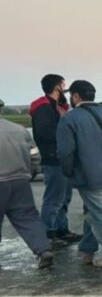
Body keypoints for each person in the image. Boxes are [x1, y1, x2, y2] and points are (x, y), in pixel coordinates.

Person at [56, 80, 102, 268]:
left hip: (90, 176)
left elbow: (65, 152)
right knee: (97, 212)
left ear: (76, 96)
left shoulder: (69, 119)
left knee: (99, 214)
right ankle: (87, 249)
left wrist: (68, 172)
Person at [0, 100, 54, 269]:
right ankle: (43, 249)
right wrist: (29, 174)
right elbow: (35, 156)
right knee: (28, 218)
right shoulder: (19, 130)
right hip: (20, 181)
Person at [29, 73, 79, 245]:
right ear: (58, 86)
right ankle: (48, 235)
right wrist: (66, 135)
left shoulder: (56, 106)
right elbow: (44, 132)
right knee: (54, 199)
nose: (66, 88)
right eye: (63, 84)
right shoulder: (44, 108)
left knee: (64, 198)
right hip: (53, 159)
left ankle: (61, 230)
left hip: (61, 158)